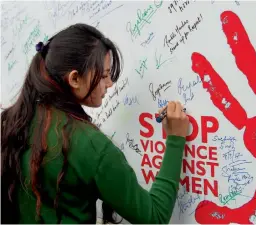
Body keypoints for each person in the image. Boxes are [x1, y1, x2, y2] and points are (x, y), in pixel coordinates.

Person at [1, 23, 189, 224]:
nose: (110, 84)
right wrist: (175, 139)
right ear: (75, 79)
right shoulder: (91, 146)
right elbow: (154, 217)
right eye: (105, 75)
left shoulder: (11, 121)